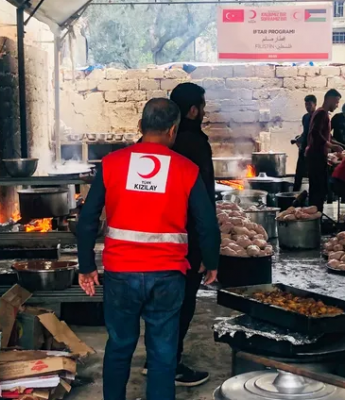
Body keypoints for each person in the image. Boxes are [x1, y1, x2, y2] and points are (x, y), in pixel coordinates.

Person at [76, 98, 220, 400]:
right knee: (163, 354)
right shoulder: (186, 169)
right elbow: (206, 221)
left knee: (119, 345)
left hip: (120, 274)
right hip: (168, 276)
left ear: (140, 127)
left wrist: (86, 265)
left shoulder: (112, 164)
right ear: (173, 130)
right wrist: (211, 260)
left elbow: (88, 217)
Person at [138, 82, 214, 387]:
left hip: (146, 238)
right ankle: (170, 363)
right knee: (181, 303)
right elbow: (204, 201)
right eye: (203, 106)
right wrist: (208, 252)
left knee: (156, 303)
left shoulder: (145, 145)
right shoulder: (195, 144)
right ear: (193, 110)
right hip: (184, 239)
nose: (204, 112)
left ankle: (155, 359)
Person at [305, 89, 343, 212]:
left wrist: (336, 144)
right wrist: (331, 146)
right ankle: (315, 219)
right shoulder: (322, 113)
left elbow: (324, 135)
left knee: (318, 190)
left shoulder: (321, 113)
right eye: (336, 102)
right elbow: (315, 134)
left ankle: (316, 217)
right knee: (317, 191)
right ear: (330, 99)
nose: (337, 105)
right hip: (316, 157)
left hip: (317, 156)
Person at [293, 95, 317, 192]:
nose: (308, 107)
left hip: (313, 151)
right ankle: (294, 195)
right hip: (303, 149)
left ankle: (313, 195)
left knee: (313, 175)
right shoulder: (305, 117)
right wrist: (299, 138)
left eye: (310, 104)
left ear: (315, 104)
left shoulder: (318, 117)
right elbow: (306, 132)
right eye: (306, 105)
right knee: (299, 174)